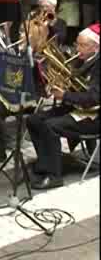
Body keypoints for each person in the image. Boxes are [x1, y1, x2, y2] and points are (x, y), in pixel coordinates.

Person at [26, 24, 100, 189]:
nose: (78, 49)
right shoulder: (79, 61)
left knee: (50, 126)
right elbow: (74, 85)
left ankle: (54, 176)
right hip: (77, 108)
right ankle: (46, 163)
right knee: (34, 120)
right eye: (77, 44)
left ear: (95, 47)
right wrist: (55, 84)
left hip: (93, 116)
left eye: (83, 45)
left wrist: (65, 95)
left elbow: (94, 98)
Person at [0, 19, 49, 164]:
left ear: (33, 36)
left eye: (23, 32)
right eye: (21, 31)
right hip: (15, 91)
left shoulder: (41, 55)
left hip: (30, 97)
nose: (20, 34)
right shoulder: (20, 50)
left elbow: (38, 81)